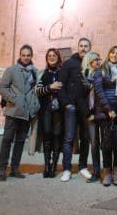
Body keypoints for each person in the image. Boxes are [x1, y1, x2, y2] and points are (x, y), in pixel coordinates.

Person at [0, 44, 41, 181]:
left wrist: (35, 105)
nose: (26, 57)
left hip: (27, 113)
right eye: (24, 55)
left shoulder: (35, 71)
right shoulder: (11, 70)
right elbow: (1, 88)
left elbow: (37, 90)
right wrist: (14, 99)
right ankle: (2, 170)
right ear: (20, 55)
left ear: (31, 56)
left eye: (28, 55)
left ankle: (15, 169)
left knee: (20, 141)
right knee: (7, 140)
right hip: (13, 111)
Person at [58, 38, 92, 182]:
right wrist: (66, 103)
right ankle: (66, 169)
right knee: (69, 138)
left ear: (90, 48)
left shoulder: (93, 63)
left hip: (86, 109)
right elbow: (61, 85)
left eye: (86, 46)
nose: (83, 48)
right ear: (77, 47)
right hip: (71, 107)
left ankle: (83, 166)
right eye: (81, 46)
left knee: (85, 138)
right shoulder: (69, 64)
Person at [94, 46, 117, 186]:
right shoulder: (101, 70)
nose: (115, 55)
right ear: (109, 54)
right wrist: (108, 110)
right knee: (106, 143)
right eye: (112, 52)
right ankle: (107, 171)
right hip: (105, 112)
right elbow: (99, 91)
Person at [35, 48, 63, 178]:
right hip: (45, 108)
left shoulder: (63, 73)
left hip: (59, 109)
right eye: (49, 56)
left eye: (54, 55)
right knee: (47, 134)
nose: (52, 57)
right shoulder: (43, 74)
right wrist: (50, 87)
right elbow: (38, 90)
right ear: (47, 58)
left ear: (58, 57)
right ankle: (46, 165)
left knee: (57, 135)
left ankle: (53, 167)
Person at [82, 51, 102, 183]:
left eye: (99, 60)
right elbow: (81, 96)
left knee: (106, 143)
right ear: (89, 62)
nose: (99, 62)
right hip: (90, 113)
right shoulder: (83, 76)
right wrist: (88, 114)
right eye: (96, 60)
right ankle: (96, 171)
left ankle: (109, 170)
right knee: (94, 143)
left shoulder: (102, 74)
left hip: (102, 112)